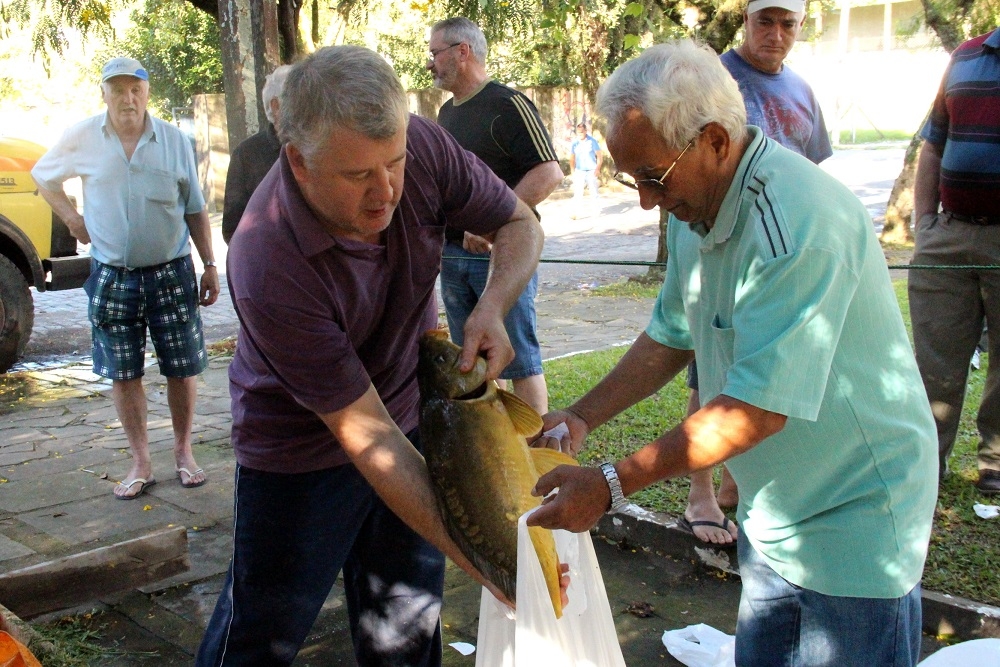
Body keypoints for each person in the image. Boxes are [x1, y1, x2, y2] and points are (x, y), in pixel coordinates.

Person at [528, 40, 937, 666]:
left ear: (716, 141)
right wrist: (581, 414)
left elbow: (755, 410)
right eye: (630, 178)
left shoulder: (796, 226)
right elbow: (671, 333)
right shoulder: (698, 209)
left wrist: (610, 484)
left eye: (653, 177)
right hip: (774, 512)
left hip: (855, 515)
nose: (644, 199)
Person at [196, 46, 545, 666]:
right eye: (358, 176)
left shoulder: (424, 147)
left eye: (395, 163)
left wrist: (491, 306)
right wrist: (492, 568)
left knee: (406, 633)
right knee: (260, 635)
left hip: (406, 414)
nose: (386, 192)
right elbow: (367, 439)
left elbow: (520, 223)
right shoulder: (266, 260)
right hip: (296, 449)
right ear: (299, 163)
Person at [682, 0, 835, 544]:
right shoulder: (715, 80)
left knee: (764, 381)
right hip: (720, 246)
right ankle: (702, 494)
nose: (775, 33)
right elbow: (670, 335)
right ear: (745, 22)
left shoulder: (802, 90)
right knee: (709, 369)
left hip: (779, 258)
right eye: (764, 21)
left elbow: (814, 171)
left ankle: (738, 490)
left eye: (787, 23)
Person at [31, 57, 219, 499]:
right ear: (104, 94)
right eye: (117, 90)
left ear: (147, 92)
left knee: (183, 367)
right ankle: (141, 462)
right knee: (123, 371)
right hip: (113, 275)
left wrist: (210, 264)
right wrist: (72, 218)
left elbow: (194, 209)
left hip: (171, 271)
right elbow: (43, 175)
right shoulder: (82, 137)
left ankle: (184, 452)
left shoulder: (174, 141)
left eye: (135, 89)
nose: (127, 98)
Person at [428, 16, 564, 415]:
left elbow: (549, 172)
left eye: (435, 53)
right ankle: (498, 447)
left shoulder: (509, 104)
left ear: (462, 51)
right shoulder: (445, 114)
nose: (430, 63)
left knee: (520, 357)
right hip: (453, 258)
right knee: (472, 358)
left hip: (503, 257)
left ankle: (538, 451)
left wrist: (492, 227)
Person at [909, 27, 1000, 494]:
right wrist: (925, 222)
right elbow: (933, 142)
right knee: (934, 357)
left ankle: (996, 462)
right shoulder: (965, 57)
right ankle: (928, 459)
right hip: (949, 233)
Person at [221, 64, 292, 244]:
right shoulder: (247, 155)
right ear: (276, 106)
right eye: (302, 99)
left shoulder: (320, 148)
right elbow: (233, 228)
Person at [570, 121, 602, 204]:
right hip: (579, 171)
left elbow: (599, 156)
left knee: (593, 192)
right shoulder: (575, 143)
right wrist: (573, 172)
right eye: (578, 132)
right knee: (578, 193)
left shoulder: (592, 141)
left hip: (591, 170)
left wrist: (598, 169)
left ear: (585, 131)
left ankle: (596, 211)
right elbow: (572, 158)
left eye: (581, 132)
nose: (580, 134)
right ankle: (576, 212)